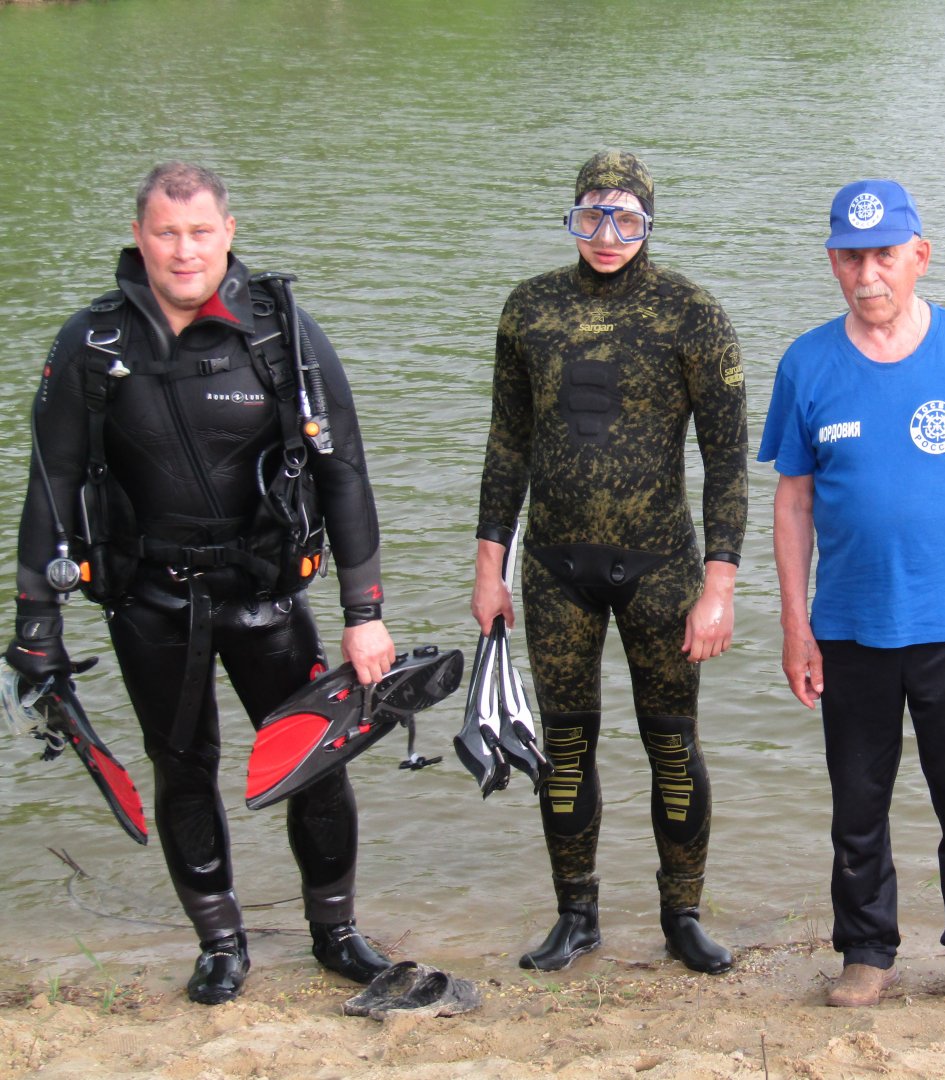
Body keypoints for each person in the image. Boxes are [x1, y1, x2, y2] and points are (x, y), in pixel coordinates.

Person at [5, 162, 398, 1005]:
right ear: (139, 237)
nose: (184, 251)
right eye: (166, 233)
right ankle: (220, 942)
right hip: (148, 600)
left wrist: (364, 611)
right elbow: (51, 482)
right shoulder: (91, 343)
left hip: (265, 597)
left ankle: (335, 931)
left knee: (315, 765)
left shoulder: (282, 333)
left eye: (199, 232)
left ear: (227, 233)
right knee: (182, 769)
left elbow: (344, 474)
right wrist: (35, 625)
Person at [471, 150, 748, 975]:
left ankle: (681, 915)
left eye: (625, 218)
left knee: (672, 744)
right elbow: (505, 446)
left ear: (648, 223)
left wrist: (719, 587)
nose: (605, 234)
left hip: (661, 568)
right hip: (554, 568)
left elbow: (727, 461)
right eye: (591, 214)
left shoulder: (691, 313)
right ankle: (576, 914)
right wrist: (488, 569)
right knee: (565, 747)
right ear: (572, 215)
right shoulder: (529, 308)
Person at [759, 179, 945, 1007]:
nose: (867, 273)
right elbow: (793, 502)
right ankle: (866, 950)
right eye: (850, 257)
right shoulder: (806, 363)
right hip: (849, 624)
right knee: (857, 801)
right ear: (831, 263)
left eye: (884, 254)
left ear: (920, 255)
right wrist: (795, 625)